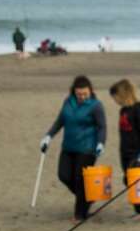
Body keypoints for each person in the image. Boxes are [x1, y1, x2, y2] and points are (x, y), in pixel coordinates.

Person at [40, 75, 107, 222]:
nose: (82, 97)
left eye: (85, 94)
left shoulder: (96, 106)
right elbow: (60, 121)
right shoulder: (68, 102)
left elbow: (102, 127)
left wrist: (101, 143)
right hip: (69, 146)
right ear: (73, 92)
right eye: (79, 94)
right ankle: (87, 199)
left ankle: (79, 215)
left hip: (87, 148)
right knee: (64, 175)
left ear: (90, 91)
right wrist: (48, 136)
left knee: (80, 179)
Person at [109, 79, 140, 220]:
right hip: (125, 151)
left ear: (122, 94)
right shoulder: (123, 110)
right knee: (130, 179)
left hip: (138, 151)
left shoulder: (139, 108)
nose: (115, 101)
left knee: (131, 179)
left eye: (115, 97)